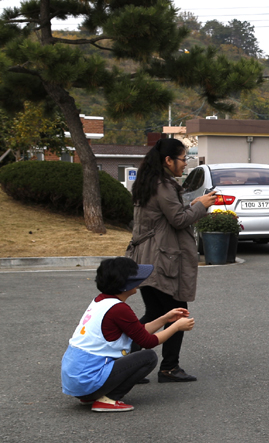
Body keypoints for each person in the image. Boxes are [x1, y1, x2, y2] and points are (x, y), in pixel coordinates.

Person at [126, 137, 217, 382]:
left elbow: (168, 215)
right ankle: (169, 368)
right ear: (168, 160)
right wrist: (202, 206)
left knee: (156, 311)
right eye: (182, 158)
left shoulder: (149, 181)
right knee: (177, 312)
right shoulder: (163, 184)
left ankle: (125, 362)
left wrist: (195, 203)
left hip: (148, 257)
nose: (185, 163)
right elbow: (177, 219)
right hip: (162, 259)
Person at [61, 258, 196, 412]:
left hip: (77, 380)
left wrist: (166, 318)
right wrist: (176, 326)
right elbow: (149, 341)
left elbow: (138, 332)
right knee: (149, 357)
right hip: (86, 381)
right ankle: (109, 399)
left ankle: (92, 395)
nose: (140, 279)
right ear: (125, 285)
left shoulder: (101, 301)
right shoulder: (119, 309)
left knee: (134, 343)